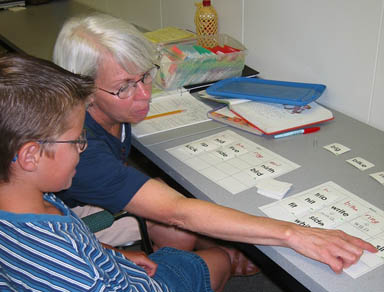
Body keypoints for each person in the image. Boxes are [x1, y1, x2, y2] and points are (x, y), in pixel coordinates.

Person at [53, 13, 377, 275]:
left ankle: (200, 258)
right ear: (83, 88)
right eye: (124, 87)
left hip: (91, 201)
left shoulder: (102, 110)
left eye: (146, 76)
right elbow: (178, 212)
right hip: (70, 231)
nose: (145, 95)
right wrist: (294, 232)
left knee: (180, 221)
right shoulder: (80, 147)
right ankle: (199, 267)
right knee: (186, 226)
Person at [0, 53, 233, 292]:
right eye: (76, 140)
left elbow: (80, 245)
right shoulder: (78, 271)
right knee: (220, 261)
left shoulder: (29, 199)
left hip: (115, 267)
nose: (84, 146)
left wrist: (115, 256)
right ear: (31, 156)